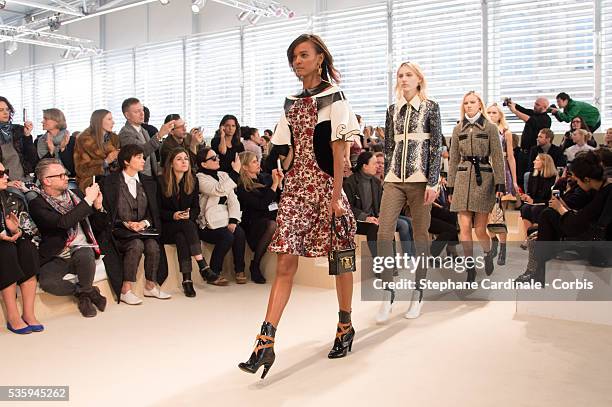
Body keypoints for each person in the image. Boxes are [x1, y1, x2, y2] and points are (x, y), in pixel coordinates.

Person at [239, 34, 360, 379]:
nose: (297, 61)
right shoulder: (291, 101)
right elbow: (285, 146)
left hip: (326, 188)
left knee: (340, 259)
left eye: (304, 55)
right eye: (293, 57)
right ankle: (265, 341)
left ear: (320, 58)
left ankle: (345, 325)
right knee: (285, 261)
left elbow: (340, 153)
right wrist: (282, 165)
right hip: (295, 190)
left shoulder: (335, 97)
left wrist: (337, 196)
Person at [376, 61, 443, 321]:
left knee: (420, 235)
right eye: (400, 75)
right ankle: (388, 292)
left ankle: (418, 292)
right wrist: (386, 177)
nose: (404, 79)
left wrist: (433, 182)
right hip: (394, 179)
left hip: (421, 180)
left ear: (418, 79)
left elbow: (437, 146)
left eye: (409, 75)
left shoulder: (430, 107)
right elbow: (389, 146)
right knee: (383, 232)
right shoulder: (392, 110)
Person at [515, 151, 612, 284]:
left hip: (600, 246)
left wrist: (561, 208)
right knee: (545, 217)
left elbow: (582, 220)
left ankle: (536, 271)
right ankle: (536, 270)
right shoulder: (599, 189)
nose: (576, 183)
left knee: (546, 216)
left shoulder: (605, 192)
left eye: (577, 180)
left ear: (587, 179)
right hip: (592, 235)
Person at [29, 159, 109, 318]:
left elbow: (98, 227)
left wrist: (98, 207)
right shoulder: (37, 204)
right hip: (57, 254)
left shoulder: (76, 195)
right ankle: (87, 292)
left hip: (81, 248)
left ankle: (85, 298)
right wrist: (87, 201)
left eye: (65, 173)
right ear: (47, 181)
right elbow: (63, 223)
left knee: (85, 254)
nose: (66, 177)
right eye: (60, 175)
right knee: (48, 283)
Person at [102, 144, 171, 305]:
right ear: (126, 161)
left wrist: (144, 223)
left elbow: (153, 211)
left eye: (143, 157)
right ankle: (126, 289)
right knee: (136, 244)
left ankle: (150, 285)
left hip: (143, 229)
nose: (143, 160)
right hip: (119, 230)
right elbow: (108, 211)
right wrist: (126, 223)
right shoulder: (110, 182)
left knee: (153, 245)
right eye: (138, 157)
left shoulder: (148, 182)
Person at [447, 91, 505, 282]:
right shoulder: (458, 129)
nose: (468, 106)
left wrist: (500, 183)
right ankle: (469, 267)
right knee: (464, 227)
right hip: (463, 178)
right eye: (465, 103)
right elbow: (454, 158)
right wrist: (450, 186)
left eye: (472, 102)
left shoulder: (490, 128)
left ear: (480, 105)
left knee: (480, 229)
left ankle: (488, 254)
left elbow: (497, 156)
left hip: (484, 179)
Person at [158, 147, 211, 298]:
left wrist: (188, 214)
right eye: (179, 159)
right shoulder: (161, 181)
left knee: (182, 236)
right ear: (171, 163)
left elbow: (196, 208)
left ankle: (187, 280)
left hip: (184, 226)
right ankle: (203, 266)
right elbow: (157, 211)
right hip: (167, 226)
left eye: (186, 159)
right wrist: (173, 215)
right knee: (186, 226)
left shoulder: (192, 180)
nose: (184, 162)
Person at [0, 162, 41, 334]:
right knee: (6, 250)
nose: (6, 177)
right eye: (1, 173)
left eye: (6, 172)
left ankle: (29, 313)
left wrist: (16, 230)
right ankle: (13, 316)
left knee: (27, 247)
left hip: (12, 240)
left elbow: (31, 229)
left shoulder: (12, 198)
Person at [195, 147, 245, 285]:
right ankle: (214, 273)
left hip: (224, 218)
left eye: (216, 156)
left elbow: (232, 199)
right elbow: (218, 190)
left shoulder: (223, 175)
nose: (217, 159)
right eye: (213, 158)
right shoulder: (200, 179)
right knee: (227, 236)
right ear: (203, 164)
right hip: (207, 224)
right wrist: (235, 172)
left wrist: (233, 220)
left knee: (239, 233)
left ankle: (239, 270)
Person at [236, 151, 283, 284]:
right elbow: (261, 204)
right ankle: (255, 264)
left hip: (270, 215)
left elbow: (277, 197)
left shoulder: (264, 178)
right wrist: (274, 185)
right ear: (244, 167)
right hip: (253, 222)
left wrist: (279, 183)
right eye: (254, 162)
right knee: (272, 225)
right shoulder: (242, 187)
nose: (258, 164)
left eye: (257, 161)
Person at [486, 103, 519, 265]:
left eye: (494, 112)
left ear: (500, 115)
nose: (491, 115)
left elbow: (511, 157)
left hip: (501, 172)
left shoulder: (506, 132)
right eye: (489, 112)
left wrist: (514, 180)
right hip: (485, 173)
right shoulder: (483, 130)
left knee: (499, 214)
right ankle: (494, 242)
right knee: (486, 214)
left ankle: (503, 248)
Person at [118, 98, 175, 177]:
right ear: (127, 115)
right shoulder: (125, 133)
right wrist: (159, 135)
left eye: (142, 110)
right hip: (138, 177)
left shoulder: (144, 130)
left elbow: (152, 157)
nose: (142, 114)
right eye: (137, 111)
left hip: (151, 176)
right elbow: (141, 152)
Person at [506, 97, 551, 184]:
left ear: (544, 107)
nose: (535, 106)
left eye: (537, 105)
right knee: (519, 177)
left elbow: (530, 120)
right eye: (535, 103)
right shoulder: (532, 113)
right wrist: (511, 104)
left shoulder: (546, 119)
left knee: (529, 177)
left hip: (533, 153)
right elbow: (522, 109)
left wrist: (515, 111)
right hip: (523, 152)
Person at [74, 109, 121, 192]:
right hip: (92, 181)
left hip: (112, 179)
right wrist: (106, 162)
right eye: (109, 119)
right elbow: (81, 170)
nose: (113, 122)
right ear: (99, 121)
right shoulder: (83, 139)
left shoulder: (114, 138)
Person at [519, 154, 557, 247]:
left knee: (535, 209)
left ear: (544, 163)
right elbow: (530, 194)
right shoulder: (533, 175)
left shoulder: (552, 178)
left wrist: (533, 201)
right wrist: (526, 197)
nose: (533, 161)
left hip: (546, 203)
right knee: (525, 208)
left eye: (537, 160)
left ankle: (536, 239)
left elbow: (549, 198)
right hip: (535, 203)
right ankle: (529, 238)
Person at [0, 96, 36, 190]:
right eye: (1, 110)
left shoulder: (18, 129)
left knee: (35, 198)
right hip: (5, 183)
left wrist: (27, 135)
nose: (5, 113)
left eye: (7, 109)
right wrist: (7, 183)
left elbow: (32, 159)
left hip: (25, 180)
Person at [36, 108, 75, 177]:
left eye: (46, 119)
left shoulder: (72, 140)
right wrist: (51, 152)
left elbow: (72, 169)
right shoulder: (39, 141)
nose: (42, 121)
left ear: (57, 121)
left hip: (69, 180)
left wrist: (63, 149)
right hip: (46, 181)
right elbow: (39, 168)